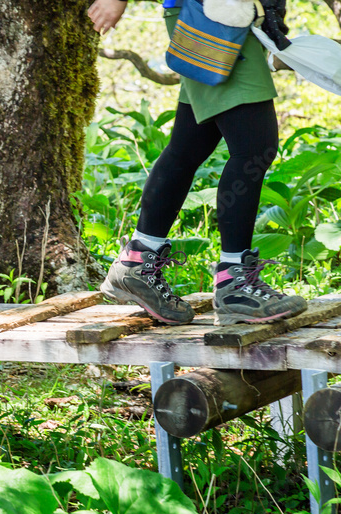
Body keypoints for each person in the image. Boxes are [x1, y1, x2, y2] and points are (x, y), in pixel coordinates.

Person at [87, 0, 307, 325]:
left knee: (189, 146)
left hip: (225, 13)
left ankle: (137, 262)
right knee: (255, 146)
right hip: (212, 13)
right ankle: (235, 285)